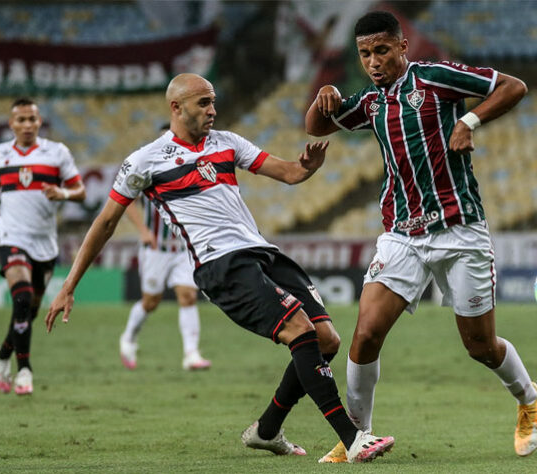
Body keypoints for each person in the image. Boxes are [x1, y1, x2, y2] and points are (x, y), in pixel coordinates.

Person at [45, 73, 394, 463]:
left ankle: (266, 430)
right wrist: (68, 285)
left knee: (327, 340)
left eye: (213, 101)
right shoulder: (145, 161)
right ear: (176, 107)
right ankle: (353, 439)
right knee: (301, 330)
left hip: (263, 252)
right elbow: (105, 223)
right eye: (203, 103)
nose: (213, 110)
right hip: (220, 264)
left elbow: (289, 173)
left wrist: (308, 167)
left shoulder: (227, 143)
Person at [305, 11, 537, 461]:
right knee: (365, 335)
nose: (373, 62)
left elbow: (514, 86)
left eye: (381, 51)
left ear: (401, 47)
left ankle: (528, 398)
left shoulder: (435, 78)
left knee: (480, 346)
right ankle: (356, 435)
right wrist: (326, 95)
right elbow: (316, 127)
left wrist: (468, 123)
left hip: (460, 230)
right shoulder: (371, 102)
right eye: (364, 54)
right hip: (401, 235)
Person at [0, 98, 86, 396]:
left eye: (32, 119)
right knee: (22, 298)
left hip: (44, 241)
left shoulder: (56, 153)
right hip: (12, 235)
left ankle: (2, 354)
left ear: (39, 121)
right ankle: (25, 371)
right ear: (11, 124)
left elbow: (80, 191)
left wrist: (62, 193)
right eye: (21, 120)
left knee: (29, 312)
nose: (28, 125)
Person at [119, 124, 211, 371]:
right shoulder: (148, 166)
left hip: (182, 249)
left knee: (188, 296)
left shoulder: (192, 167)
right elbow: (127, 202)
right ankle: (128, 338)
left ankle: (191, 354)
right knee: (151, 302)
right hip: (156, 249)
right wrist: (143, 231)